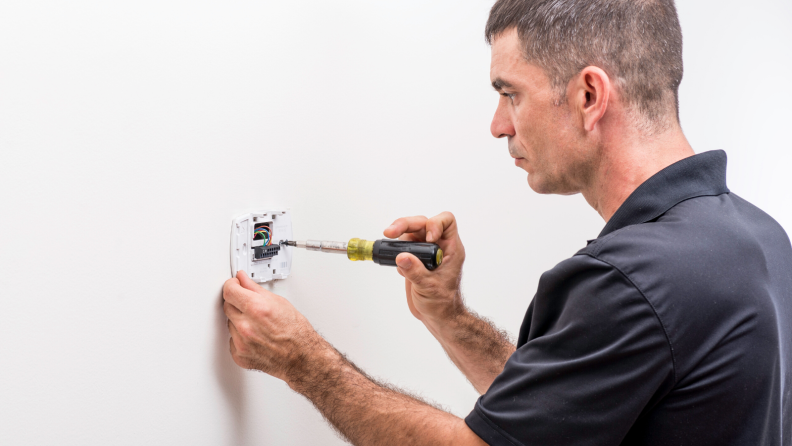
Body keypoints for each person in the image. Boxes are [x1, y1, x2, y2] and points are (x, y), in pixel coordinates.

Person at [222, 0, 792, 444]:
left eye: (509, 93)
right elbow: (555, 420)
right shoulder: (759, 238)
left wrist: (303, 361)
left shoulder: (633, 283)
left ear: (590, 94)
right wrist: (448, 315)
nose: (498, 125)